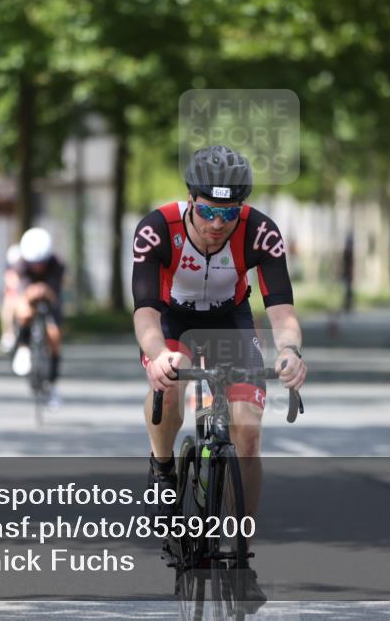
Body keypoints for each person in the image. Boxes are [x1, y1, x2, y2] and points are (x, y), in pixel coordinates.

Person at [131, 145, 307, 609]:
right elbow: (145, 312)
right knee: (168, 391)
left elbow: (282, 309)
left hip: (230, 320)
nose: (217, 223)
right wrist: (157, 355)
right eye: (207, 210)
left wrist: (289, 350)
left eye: (228, 213)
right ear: (191, 200)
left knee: (247, 432)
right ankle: (163, 465)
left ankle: (242, 555)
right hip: (171, 321)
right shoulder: (156, 230)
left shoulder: (260, 232)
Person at [10, 227, 66, 408]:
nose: (37, 266)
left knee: (54, 335)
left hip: (50, 298)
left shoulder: (57, 264)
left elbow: (54, 291)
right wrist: (30, 293)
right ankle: (23, 346)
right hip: (29, 296)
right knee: (24, 311)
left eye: (41, 262)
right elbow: (21, 290)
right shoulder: (20, 264)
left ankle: (53, 380)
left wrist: (45, 291)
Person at [0, 243, 21, 353]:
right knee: (7, 309)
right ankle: (8, 334)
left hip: (22, 296)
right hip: (13, 296)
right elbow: (9, 284)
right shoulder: (9, 270)